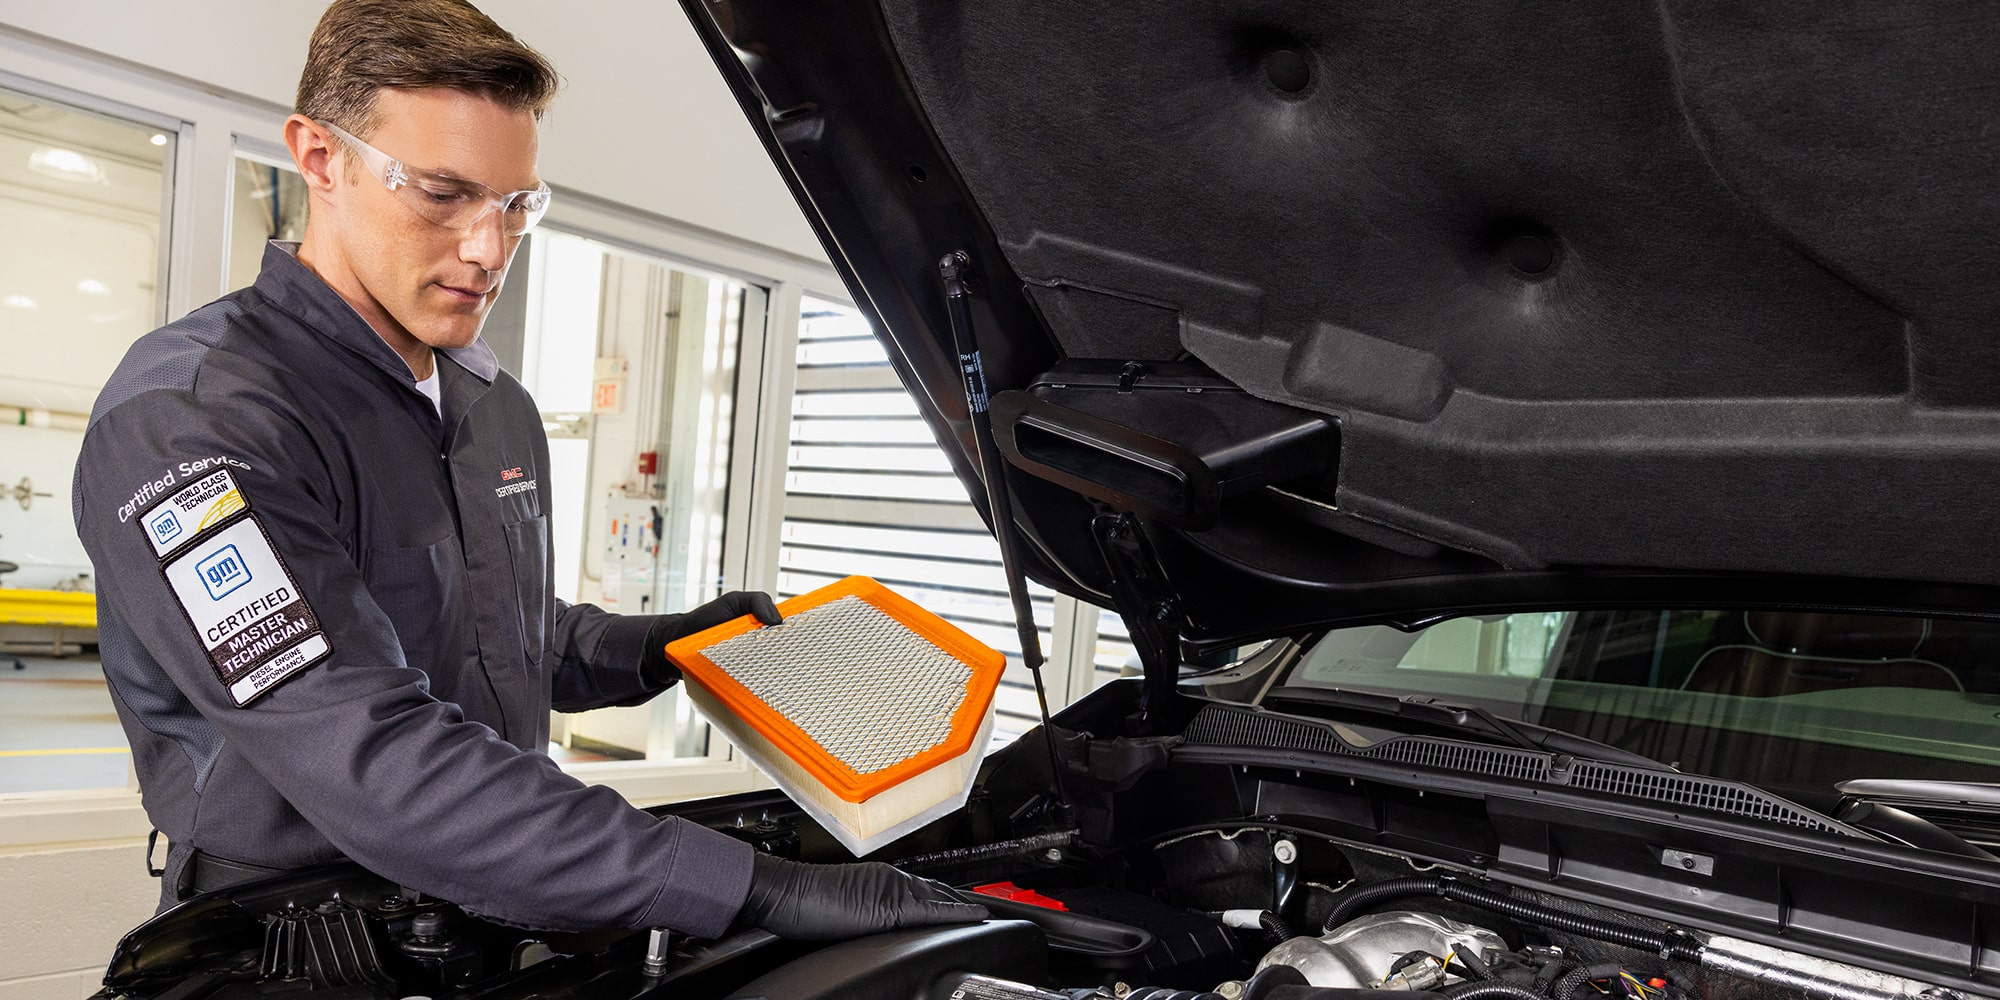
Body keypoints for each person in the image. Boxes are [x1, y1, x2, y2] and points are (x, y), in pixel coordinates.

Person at [71, 0, 987, 940]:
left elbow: (484, 626)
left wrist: (653, 648)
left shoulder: (487, 400)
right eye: (441, 193)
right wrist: (753, 887)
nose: (488, 248)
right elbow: (365, 750)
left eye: (517, 205)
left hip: (493, 910)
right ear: (319, 158)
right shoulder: (195, 420)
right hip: (296, 937)